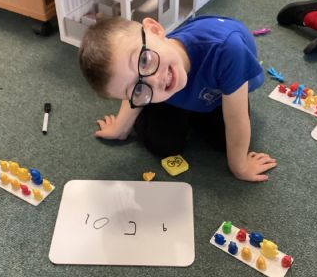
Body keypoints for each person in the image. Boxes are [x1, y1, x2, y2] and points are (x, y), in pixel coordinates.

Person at [78, 15, 277, 182]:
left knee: (225, 143)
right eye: (138, 90)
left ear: (155, 29)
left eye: (144, 60)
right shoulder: (158, 76)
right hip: (174, 94)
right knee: (162, 145)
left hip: (218, 91)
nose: (154, 80)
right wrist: (120, 128)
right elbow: (133, 91)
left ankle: (187, 109)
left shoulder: (228, 50)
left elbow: (236, 119)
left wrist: (240, 168)